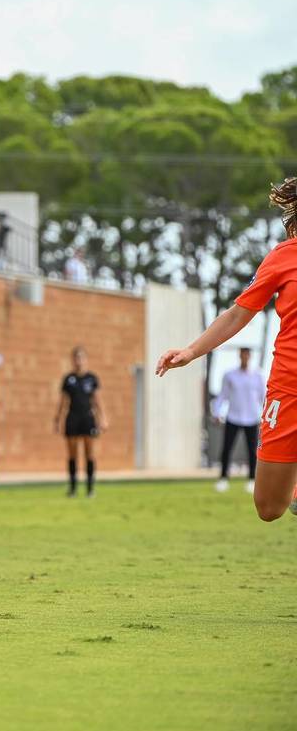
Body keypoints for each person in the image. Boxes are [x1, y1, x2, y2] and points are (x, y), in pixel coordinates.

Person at [157, 176, 297, 521]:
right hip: (287, 386)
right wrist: (191, 352)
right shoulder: (282, 258)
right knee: (269, 507)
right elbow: (237, 314)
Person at [212, 347, 266, 494]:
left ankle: (251, 480)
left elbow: (263, 397)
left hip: (252, 418)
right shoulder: (230, 375)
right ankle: (223, 479)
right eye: (242, 354)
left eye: (247, 355)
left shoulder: (258, 375)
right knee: (226, 449)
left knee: (252, 451)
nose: (245, 357)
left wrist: (266, 416)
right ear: (239, 356)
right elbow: (223, 395)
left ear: (250, 356)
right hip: (233, 417)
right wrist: (217, 412)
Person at [54, 346, 106, 497]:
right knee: (72, 455)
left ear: (86, 360)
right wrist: (58, 420)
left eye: (82, 358)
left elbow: (97, 400)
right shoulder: (69, 379)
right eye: (76, 358)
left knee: (89, 454)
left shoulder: (92, 378)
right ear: (72, 360)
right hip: (72, 418)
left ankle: (90, 489)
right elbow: (63, 402)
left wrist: (103, 418)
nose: (79, 361)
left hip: (88, 418)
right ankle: (73, 488)